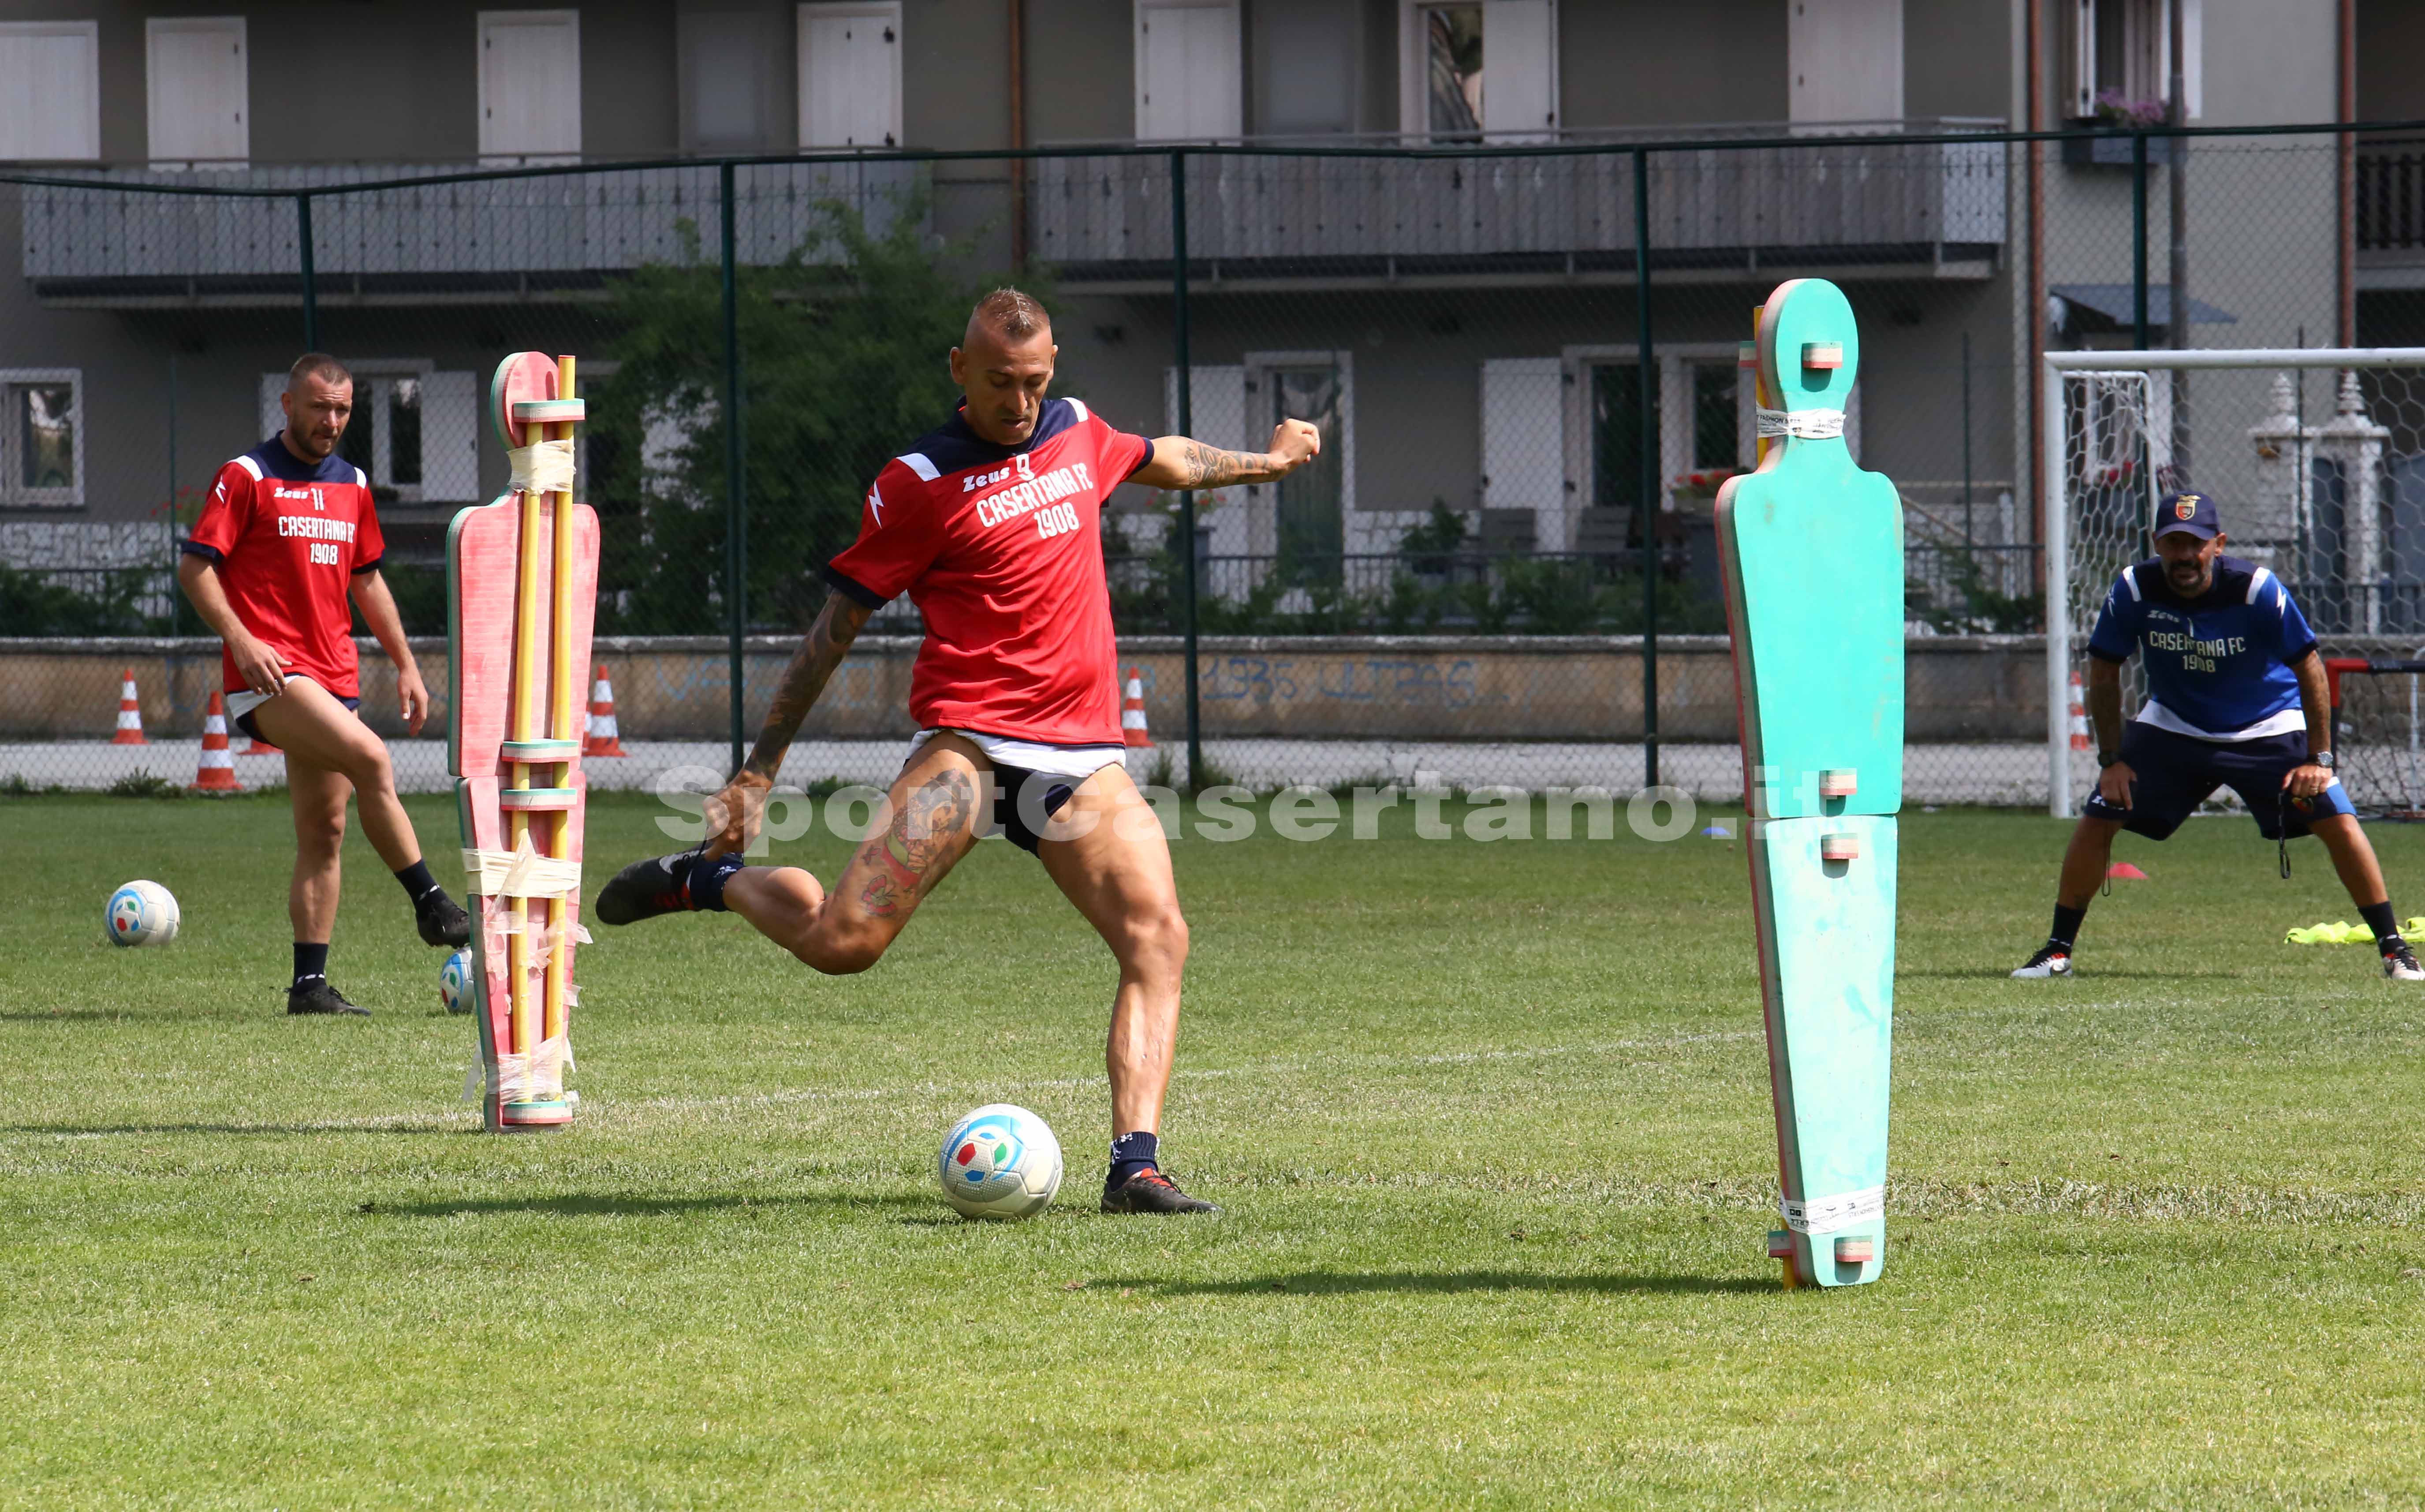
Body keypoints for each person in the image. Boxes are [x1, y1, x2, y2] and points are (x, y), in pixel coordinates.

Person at [596, 288, 1321, 1213]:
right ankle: (706, 881)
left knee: (1158, 936)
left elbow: (1163, 457)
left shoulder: (1076, 429)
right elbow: (832, 632)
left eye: (1032, 381)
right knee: (844, 944)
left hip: (1077, 759)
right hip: (971, 749)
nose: (1018, 402)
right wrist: (757, 772)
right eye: (998, 382)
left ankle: (1134, 1167)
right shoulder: (917, 482)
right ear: (959, 369)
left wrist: (1267, 462)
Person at [2013, 489, 2422, 981]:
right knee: (2100, 815)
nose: (2185, 555)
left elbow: (2310, 667)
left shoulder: (2256, 589)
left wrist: (2319, 759)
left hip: (2266, 725)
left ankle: (2394, 949)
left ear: (2219, 544)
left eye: (2197, 543)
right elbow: (2103, 671)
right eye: (2174, 543)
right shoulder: (2134, 589)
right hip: (2175, 725)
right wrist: (2111, 760)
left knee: (2337, 817)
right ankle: (2057, 951)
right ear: (2157, 544)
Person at [179, 353, 470, 1017]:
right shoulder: (248, 476)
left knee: (324, 830)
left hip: (334, 675)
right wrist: (242, 640)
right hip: (271, 676)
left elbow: (367, 580)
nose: (331, 421)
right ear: (288, 405)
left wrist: (406, 663)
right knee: (372, 757)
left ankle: (309, 986)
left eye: (342, 410)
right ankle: (431, 902)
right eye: (319, 408)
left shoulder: (354, 483)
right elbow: (197, 569)